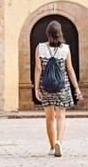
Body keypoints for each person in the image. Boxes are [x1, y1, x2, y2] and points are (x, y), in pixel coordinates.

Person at [34, 20, 82, 157]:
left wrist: (36, 88)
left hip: (46, 86)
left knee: (50, 118)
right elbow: (70, 69)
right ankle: (59, 142)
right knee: (61, 116)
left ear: (48, 34)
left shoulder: (40, 47)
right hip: (63, 86)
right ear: (60, 33)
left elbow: (38, 68)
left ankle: (51, 146)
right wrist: (77, 88)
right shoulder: (65, 49)